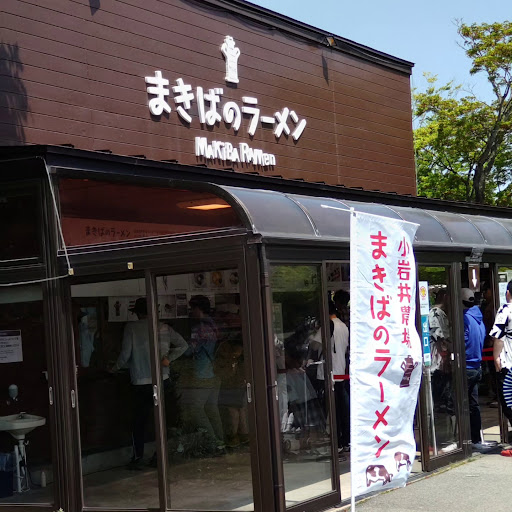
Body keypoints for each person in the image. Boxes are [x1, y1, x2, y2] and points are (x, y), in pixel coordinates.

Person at [111, 297, 187, 469]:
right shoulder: (164, 327)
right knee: (160, 420)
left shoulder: (131, 328)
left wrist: (114, 368)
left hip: (141, 381)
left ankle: (138, 457)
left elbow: (125, 354)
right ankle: (159, 455)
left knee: (139, 421)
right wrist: (168, 358)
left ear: (137, 313)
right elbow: (183, 345)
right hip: (162, 379)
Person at [181, 295, 225, 449]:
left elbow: (189, 350)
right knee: (212, 409)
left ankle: (212, 441)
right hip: (215, 372)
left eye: (192, 308)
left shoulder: (199, 328)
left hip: (202, 372)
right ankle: (220, 440)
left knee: (196, 409)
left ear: (198, 309)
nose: (191, 312)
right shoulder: (214, 325)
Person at [489, 280, 512, 456]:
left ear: (508, 293)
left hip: (509, 365)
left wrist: (496, 357)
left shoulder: (506, 310)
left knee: (508, 403)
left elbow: (498, 336)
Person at [461, 288, 486, 450]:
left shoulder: (464, 319)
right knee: (473, 405)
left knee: (459, 404)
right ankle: (475, 439)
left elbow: (464, 341)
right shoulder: (478, 318)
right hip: (477, 365)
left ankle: (462, 441)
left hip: (466, 365)